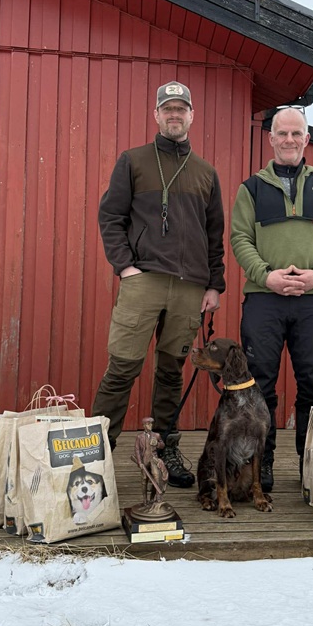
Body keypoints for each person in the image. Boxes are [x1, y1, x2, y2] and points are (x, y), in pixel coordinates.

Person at [92, 80, 225, 488]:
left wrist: (214, 285)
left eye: (181, 109)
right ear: (156, 115)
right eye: (168, 109)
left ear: (191, 115)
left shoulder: (206, 173)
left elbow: (214, 234)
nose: (174, 115)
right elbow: (110, 217)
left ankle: (164, 453)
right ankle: (95, 457)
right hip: (144, 280)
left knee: (171, 373)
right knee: (122, 369)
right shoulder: (132, 161)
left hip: (189, 288)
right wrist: (125, 267)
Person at [230, 106, 313, 492]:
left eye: (296, 133)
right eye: (282, 133)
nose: (289, 140)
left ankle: (310, 467)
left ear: (306, 139)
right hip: (264, 299)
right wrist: (266, 276)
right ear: (271, 139)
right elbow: (240, 239)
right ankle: (260, 465)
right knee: (259, 384)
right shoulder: (251, 189)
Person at [134, 417, 168, 505]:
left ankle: (156, 498)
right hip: (144, 461)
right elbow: (137, 450)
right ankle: (145, 500)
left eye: (151, 424)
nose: (150, 425)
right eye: (148, 424)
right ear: (144, 425)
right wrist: (140, 462)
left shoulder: (156, 435)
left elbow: (163, 445)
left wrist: (157, 444)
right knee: (144, 480)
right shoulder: (139, 437)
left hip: (153, 460)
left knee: (156, 477)